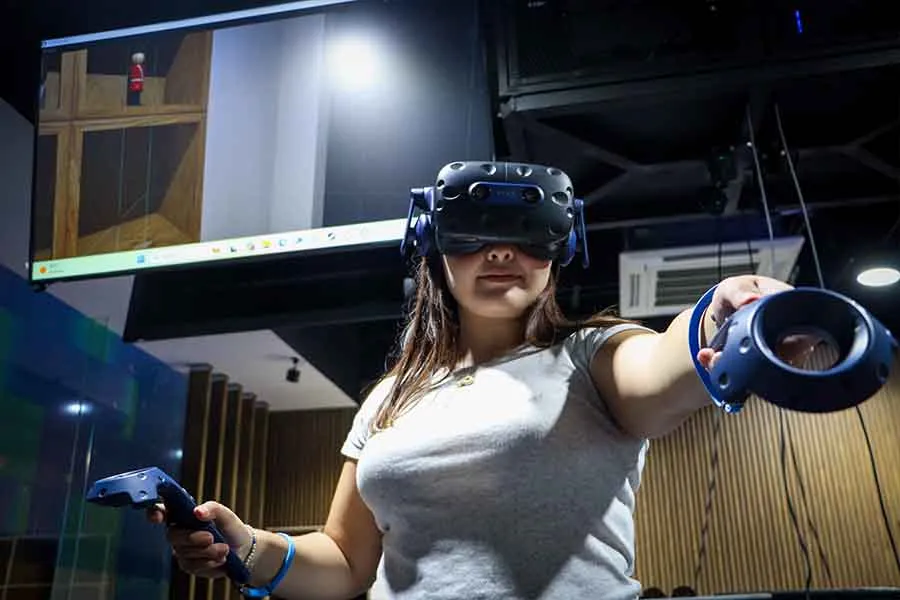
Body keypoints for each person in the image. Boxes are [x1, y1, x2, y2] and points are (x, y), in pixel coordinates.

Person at [149, 221, 803, 599]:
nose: (500, 251)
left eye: (525, 233)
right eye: (476, 233)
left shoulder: (594, 353)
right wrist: (251, 547)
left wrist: (719, 316)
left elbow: (663, 369)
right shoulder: (390, 394)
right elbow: (347, 561)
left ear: (556, 253)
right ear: (436, 251)